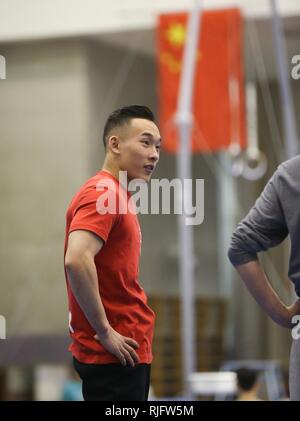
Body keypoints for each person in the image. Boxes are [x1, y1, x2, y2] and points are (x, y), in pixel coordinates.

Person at [64, 105, 161, 401]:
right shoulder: (103, 193)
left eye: (158, 146)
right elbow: (76, 259)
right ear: (115, 144)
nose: (155, 154)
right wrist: (105, 331)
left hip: (124, 350)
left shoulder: (119, 196)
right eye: (145, 142)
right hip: (115, 353)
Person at [228, 155, 300, 401]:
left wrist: (282, 315)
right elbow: (239, 246)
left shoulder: (292, 173)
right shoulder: (291, 175)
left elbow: (239, 247)